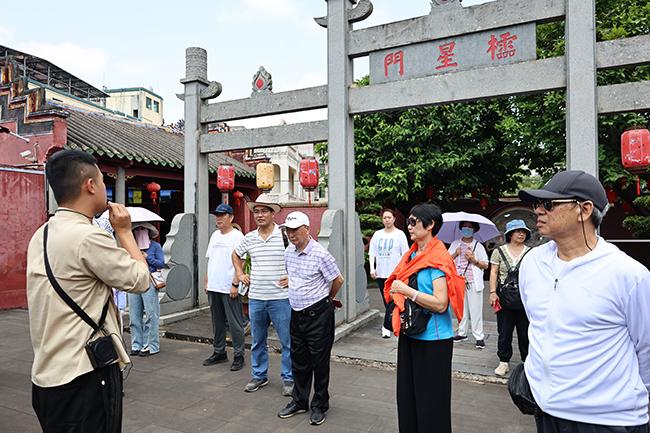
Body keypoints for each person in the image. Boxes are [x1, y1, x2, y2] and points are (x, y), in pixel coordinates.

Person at [26, 149, 150, 433]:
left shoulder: (41, 233)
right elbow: (141, 279)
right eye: (103, 181)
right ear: (90, 185)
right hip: (84, 375)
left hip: (47, 374)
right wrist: (124, 231)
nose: (106, 187)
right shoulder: (89, 236)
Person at [518, 170, 650, 432]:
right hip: (546, 411)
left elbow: (646, 347)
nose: (538, 211)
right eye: (536, 204)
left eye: (548, 204)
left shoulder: (628, 274)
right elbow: (539, 327)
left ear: (585, 209)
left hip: (607, 420)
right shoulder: (532, 263)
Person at [384, 203, 465, 433]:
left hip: (433, 341)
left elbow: (441, 304)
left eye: (414, 222)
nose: (409, 226)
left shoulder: (438, 258)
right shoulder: (411, 255)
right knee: (407, 398)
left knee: (432, 403)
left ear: (430, 225)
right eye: (408, 222)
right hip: (410, 334)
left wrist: (407, 291)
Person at [277, 212, 344, 426]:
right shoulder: (289, 252)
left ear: (307, 229)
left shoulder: (320, 254)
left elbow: (338, 280)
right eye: (288, 230)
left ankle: (320, 405)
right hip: (297, 313)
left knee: (319, 362)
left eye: (295, 230)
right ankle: (299, 400)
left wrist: (328, 299)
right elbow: (295, 276)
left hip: (318, 315)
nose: (291, 234)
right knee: (299, 360)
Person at [232, 195, 293, 396]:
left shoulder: (284, 235)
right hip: (257, 297)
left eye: (264, 211)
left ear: (272, 213)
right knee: (258, 340)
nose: (259, 215)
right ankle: (259, 375)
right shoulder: (249, 237)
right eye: (256, 211)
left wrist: (292, 277)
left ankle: (289, 378)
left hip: (281, 298)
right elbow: (235, 254)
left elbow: (300, 255)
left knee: (287, 341)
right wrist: (240, 273)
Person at [202, 203, 246, 371]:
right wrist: (207, 281)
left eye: (222, 215)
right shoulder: (215, 235)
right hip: (214, 286)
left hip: (229, 287)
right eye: (217, 215)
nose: (219, 218)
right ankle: (219, 351)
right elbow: (210, 259)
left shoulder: (238, 236)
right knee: (217, 322)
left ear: (231, 217)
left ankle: (239, 355)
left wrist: (235, 284)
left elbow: (241, 262)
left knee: (235, 324)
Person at [488, 219, 531, 376]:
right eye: (517, 231)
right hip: (504, 297)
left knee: (525, 331)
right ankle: (503, 361)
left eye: (523, 231)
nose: (521, 234)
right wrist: (492, 292)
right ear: (510, 234)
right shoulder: (498, 251)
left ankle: (527, 362)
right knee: (504, 331)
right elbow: (493, 272)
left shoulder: (531, 252)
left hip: (525, 298)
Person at [369, 208, 410, 338]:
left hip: (395, 274)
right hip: (381, 273)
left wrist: (404, 271)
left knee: (395, 298)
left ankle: (389, 324)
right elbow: (372, 253)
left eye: (389, 217)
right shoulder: (377, 234)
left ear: (394, 219)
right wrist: (372, 269)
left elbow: (405, 254)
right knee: (385, 299)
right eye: (384, 218)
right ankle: (389, 324)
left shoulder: (400, 234)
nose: (387, 220)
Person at [448, 221, 489, 349]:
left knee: (475, 309)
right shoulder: (455, 244)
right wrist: (456, 253)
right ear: (461, 229)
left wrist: (473, 260)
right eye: (464, 226)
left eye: (470, 227)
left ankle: (479, 336)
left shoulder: (478, 246)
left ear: (474, 229)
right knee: (461, 309)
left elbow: (486, 264)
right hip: (458, 281)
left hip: (473, 281)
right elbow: (446, 260)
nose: (467, 229)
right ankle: (462, 333)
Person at [127, 222, 165, 357]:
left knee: (151, 313)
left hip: (149, 280)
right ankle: (136, 344)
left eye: (143, 229)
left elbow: (161, 263)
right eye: (137, 229)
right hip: (134, 279)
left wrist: (148, 258)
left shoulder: (155, 246)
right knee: (134, 315)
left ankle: (151, 345)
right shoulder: (131, 248)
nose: (140, 231)